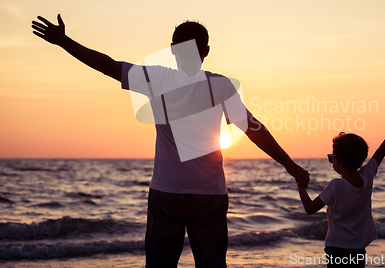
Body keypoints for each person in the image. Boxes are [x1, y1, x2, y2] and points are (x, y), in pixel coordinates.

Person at [32, 14, 310, 268]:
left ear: (173, 49)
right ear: (206, 51)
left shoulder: (157, 79)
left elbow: (106, 65)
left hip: (167, 192)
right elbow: (254, 129)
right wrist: (291, 166)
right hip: (210, 195)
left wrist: (63, 41)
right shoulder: (221, 85)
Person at [296, 107, 385, 268]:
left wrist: (300, 185)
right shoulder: (367, 175)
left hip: (336, 248)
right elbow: (383, 148)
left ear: (338, 160)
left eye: (331, 157)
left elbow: (310, 208)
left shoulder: (336, 185)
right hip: (358, 249)